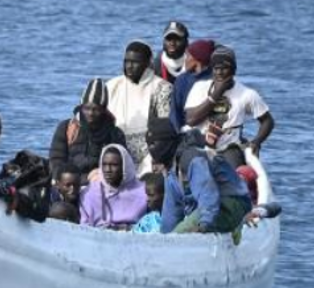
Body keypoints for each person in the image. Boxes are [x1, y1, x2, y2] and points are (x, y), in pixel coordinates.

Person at [183, 45, 274, 168]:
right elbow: (191, 120)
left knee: (233, 168)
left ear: (234, 70)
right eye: (216, 68)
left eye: (224, 68)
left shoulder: (247, 94)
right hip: (200, 146)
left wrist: (256, 142)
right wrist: (216, 94)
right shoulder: (199, 88)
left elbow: (267, 121)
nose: (219, 72)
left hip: (229, 148)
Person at [161, 116, 252, 234]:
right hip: (212, 210)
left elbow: (208, 195)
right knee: (175, 233)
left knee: (181, 232)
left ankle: (235, 228)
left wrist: (204, 225)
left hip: (231, 204)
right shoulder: (171, 173)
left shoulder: (193, 159)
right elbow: (171, 214)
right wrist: (164, 240)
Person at [106, 41, 172, 172]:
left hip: (150, 156)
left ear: (147, 63)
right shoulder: (112, 86)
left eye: (135, 62)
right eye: (126, 61)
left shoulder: (162, 88)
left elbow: (164, 130)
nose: (129, 66)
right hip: (116, 156)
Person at [48, 78, 127, 183]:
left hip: (100, 182)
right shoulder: (66, 128)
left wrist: (101, 174)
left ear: (104, 110)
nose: (91, 113)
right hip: (69, 184)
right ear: (81, 107)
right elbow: (56, 161)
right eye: (87, 108)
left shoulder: (115, 134)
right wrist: (83, 179)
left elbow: (122, 165)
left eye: (96, 109)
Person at [80, 144, 149, 230]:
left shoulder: (144, 192)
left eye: (114, 165)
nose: (108, 170)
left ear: (124, 166)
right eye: (104, 164)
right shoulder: (89, 194)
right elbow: (84, 228)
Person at [168, 39, 215, 132]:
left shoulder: (183, 81)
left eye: (188, 55)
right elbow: (175, 112)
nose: (185, 59)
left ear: (197, 59)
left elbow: (175, 113)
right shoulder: (182, 80)